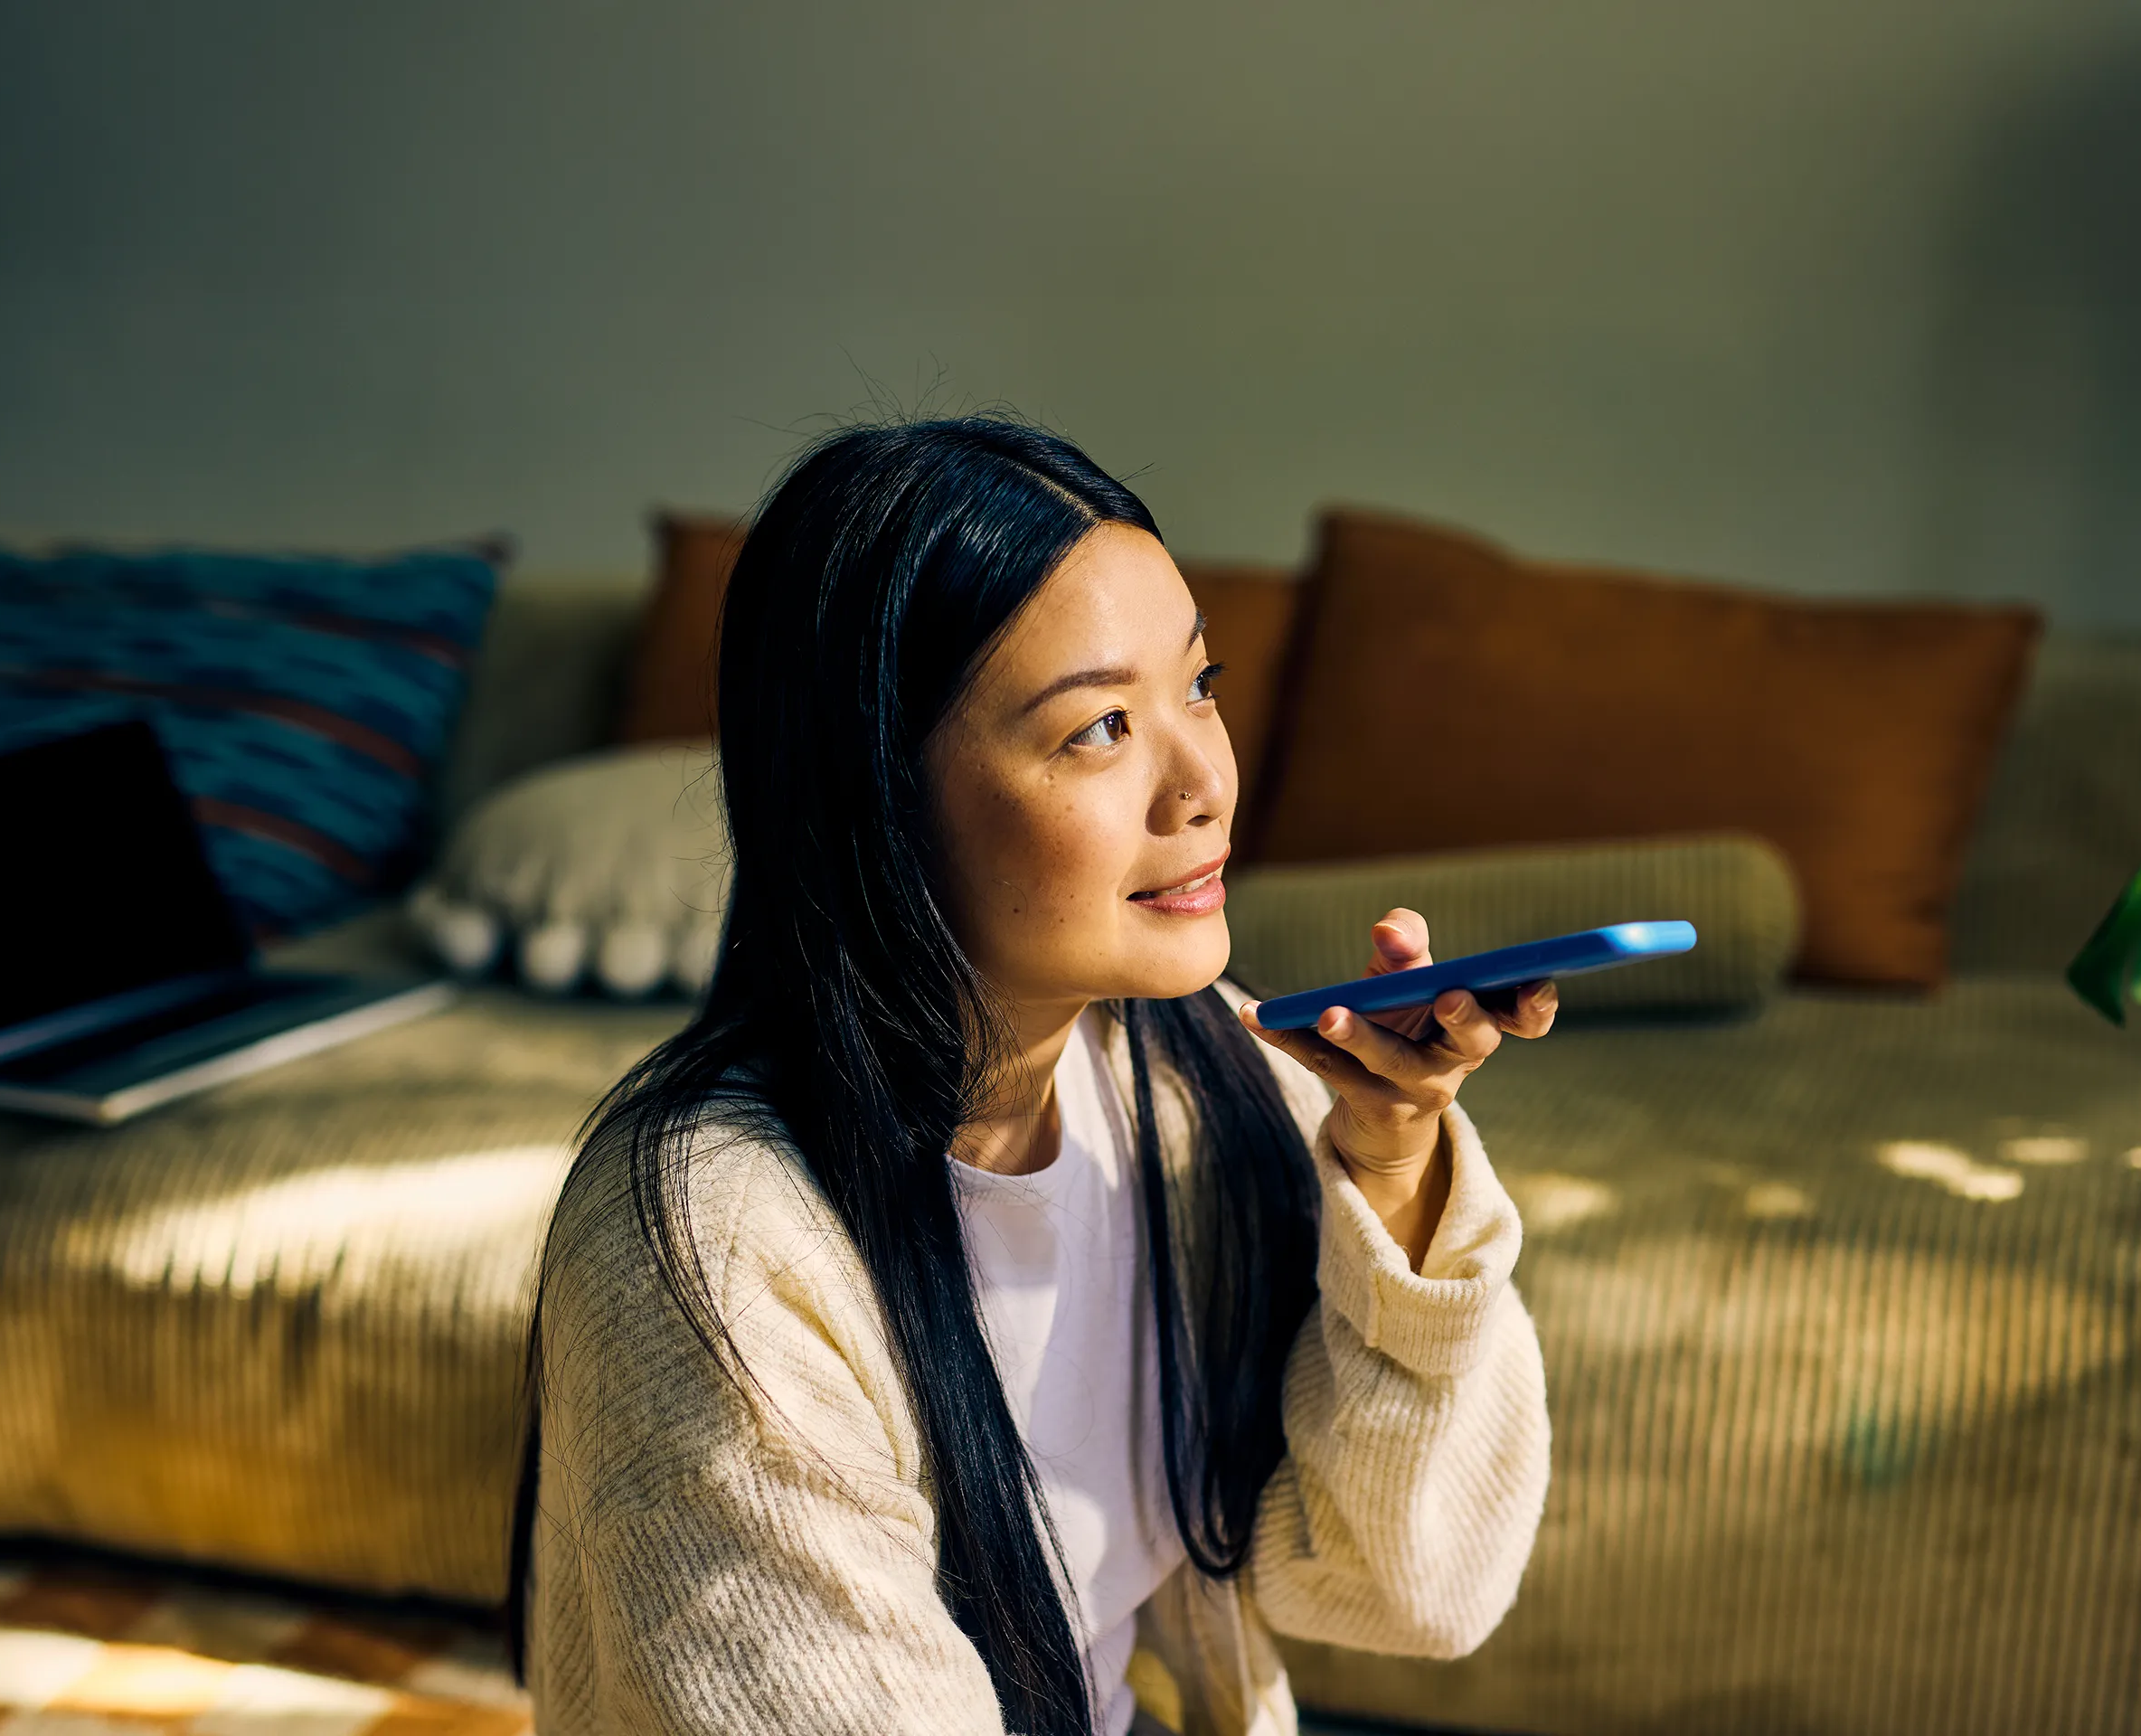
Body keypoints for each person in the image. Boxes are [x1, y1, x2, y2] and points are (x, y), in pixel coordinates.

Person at [506, 418, 1553, 1736]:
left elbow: (1409, 1590)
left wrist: (1396, 1170)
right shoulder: (713, 1240)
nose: (1204, 784)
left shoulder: (1198, 1078)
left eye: (1200, 684)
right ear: (880, 802)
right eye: (1101, 728)